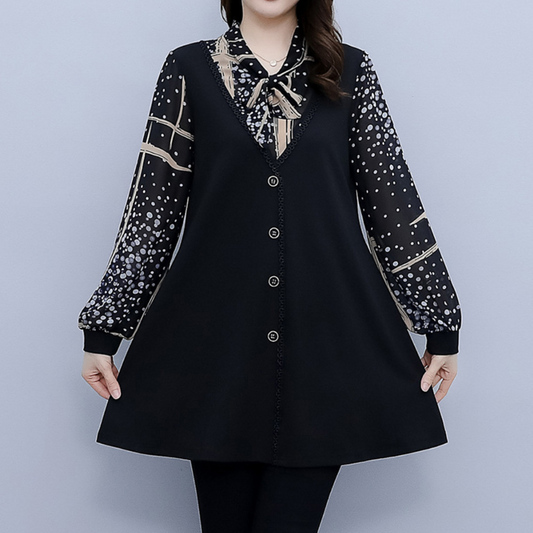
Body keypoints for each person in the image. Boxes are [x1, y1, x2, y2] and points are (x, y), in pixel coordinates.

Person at [80, 0, 462, 531]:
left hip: (323, 346)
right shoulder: (187, 69)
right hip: (216, 350)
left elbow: (391, 200)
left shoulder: (350, 71)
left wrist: (440, 322)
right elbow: (153, 207)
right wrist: (104, 329)